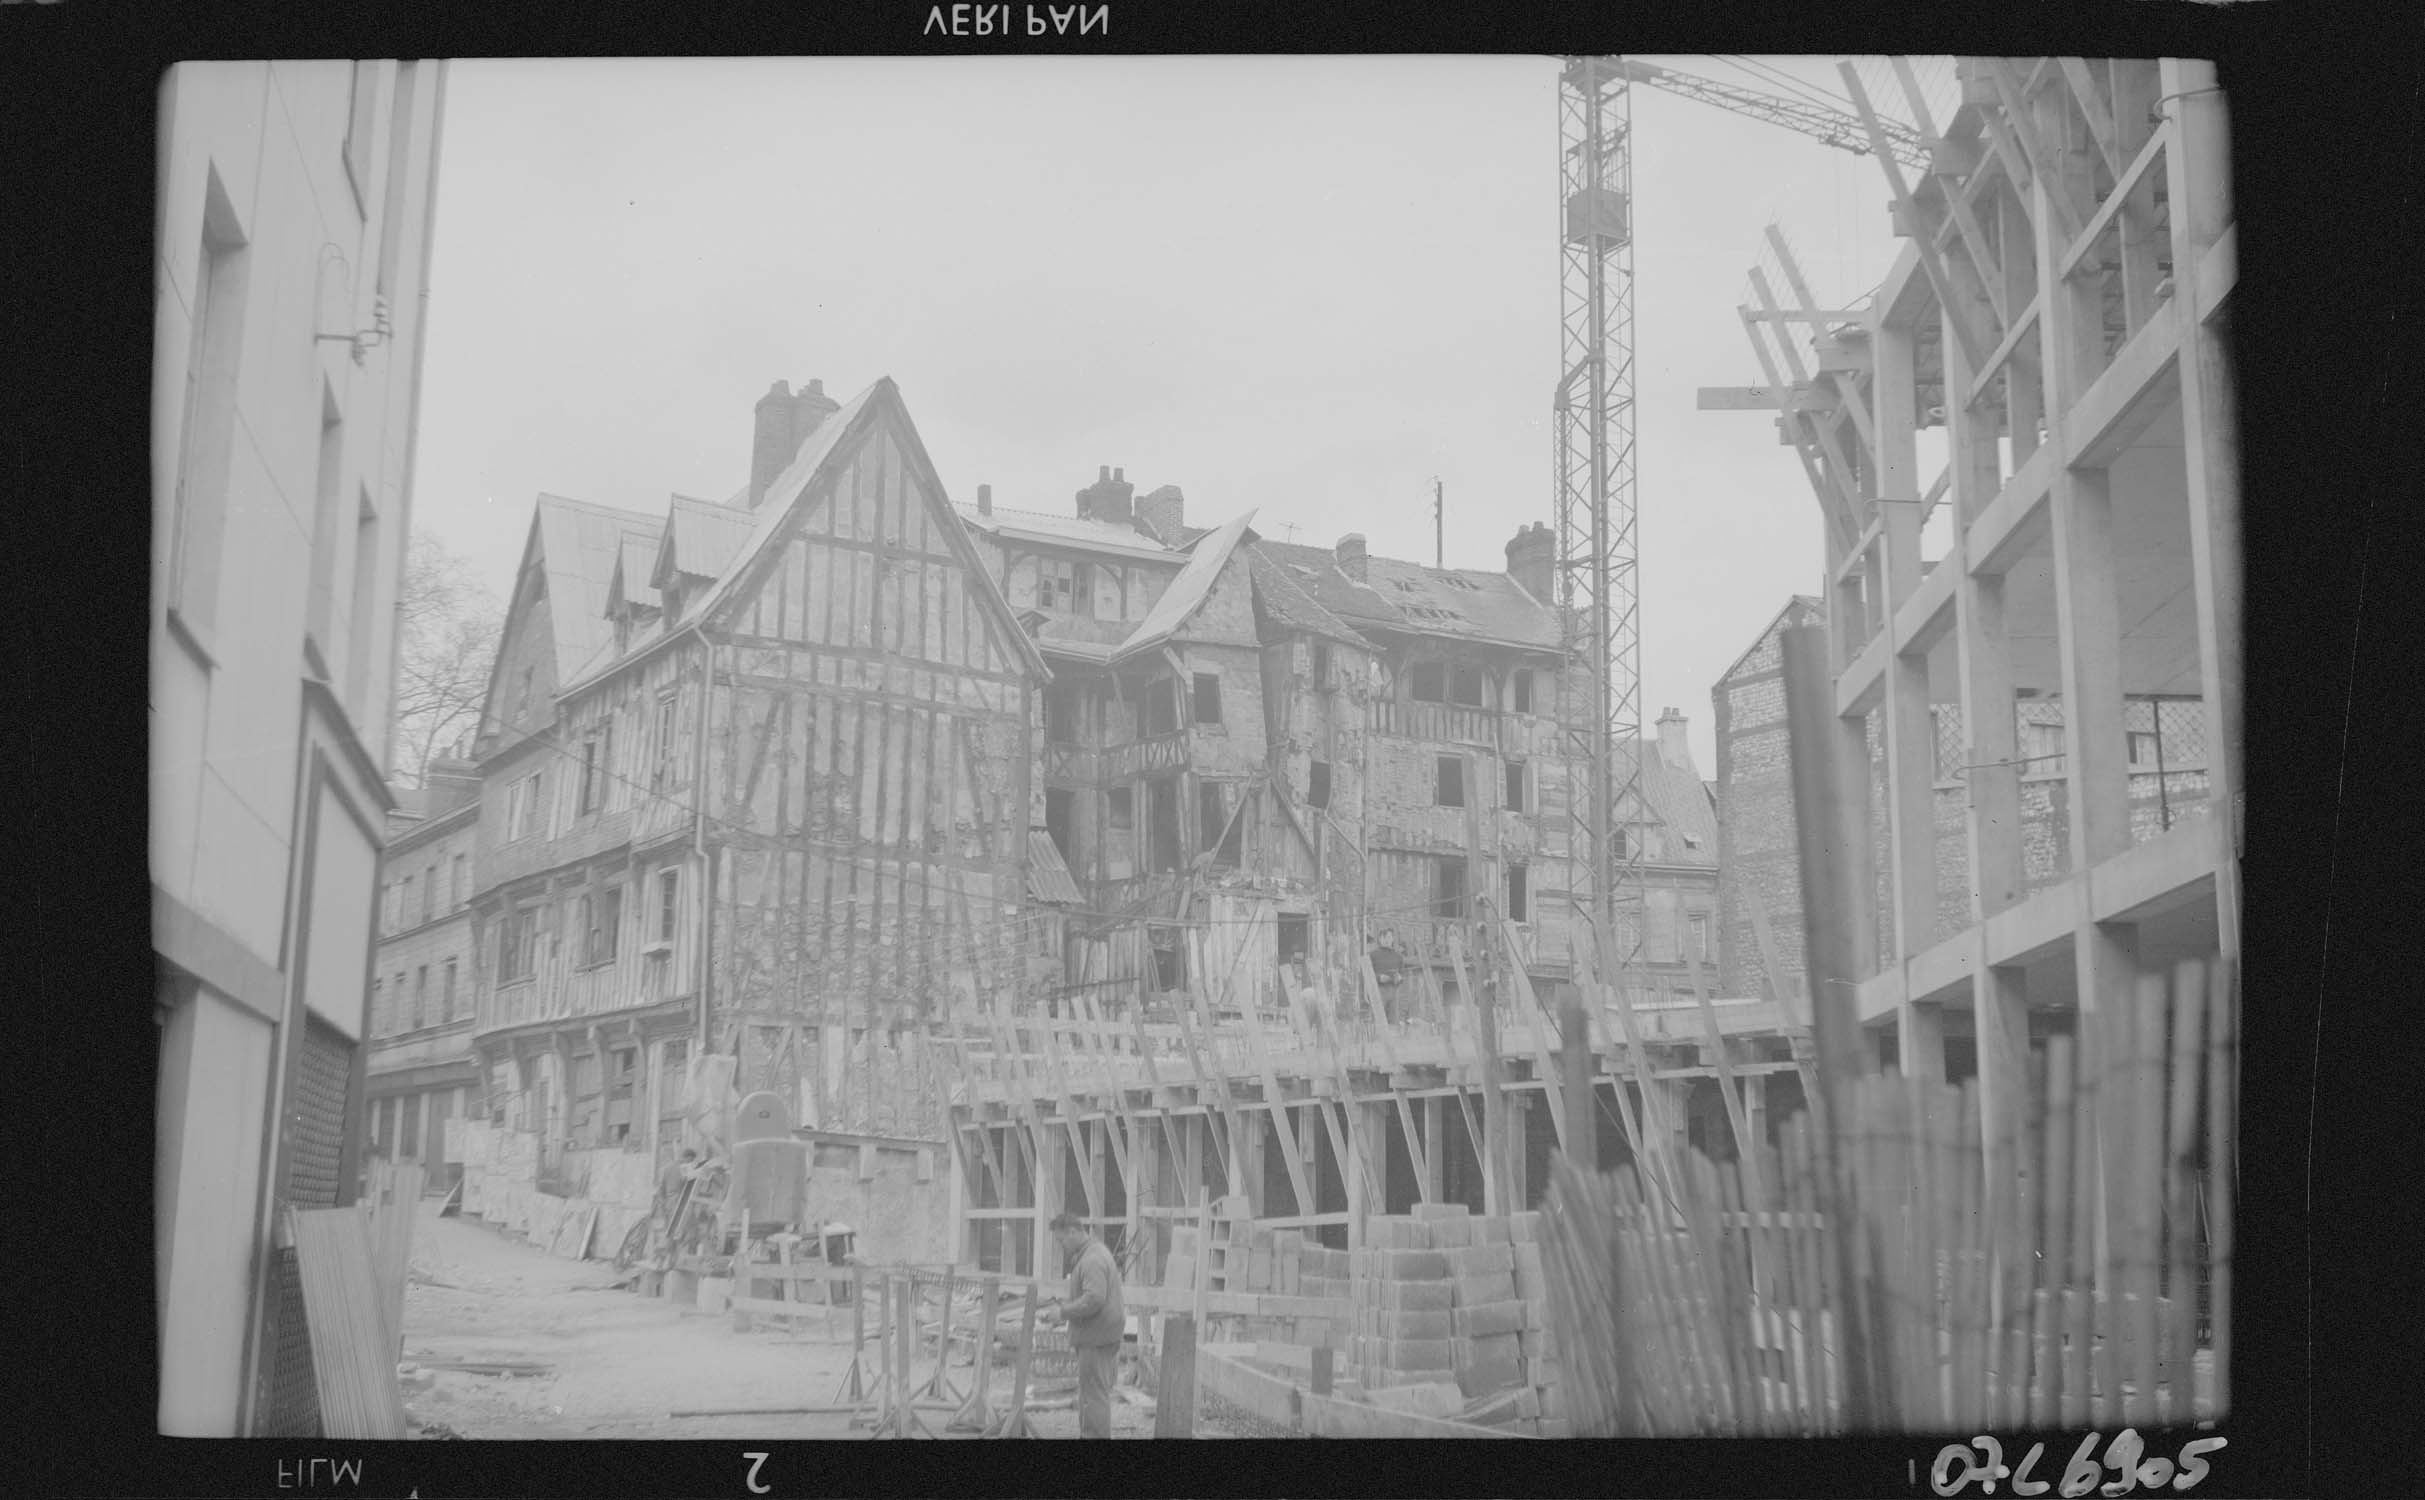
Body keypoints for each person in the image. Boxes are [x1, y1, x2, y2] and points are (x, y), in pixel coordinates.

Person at [1039, 1211, 1124, 1439]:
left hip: (1096, 1338)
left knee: (1093, 1397)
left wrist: (1063, 1312)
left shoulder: (1092, 1259)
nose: (1061, 1246)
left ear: (1073, 1231)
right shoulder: (1093, 1253)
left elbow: (1095, 1299)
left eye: (1061, 1240)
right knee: (1091, 1394)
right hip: (1099, 1335)